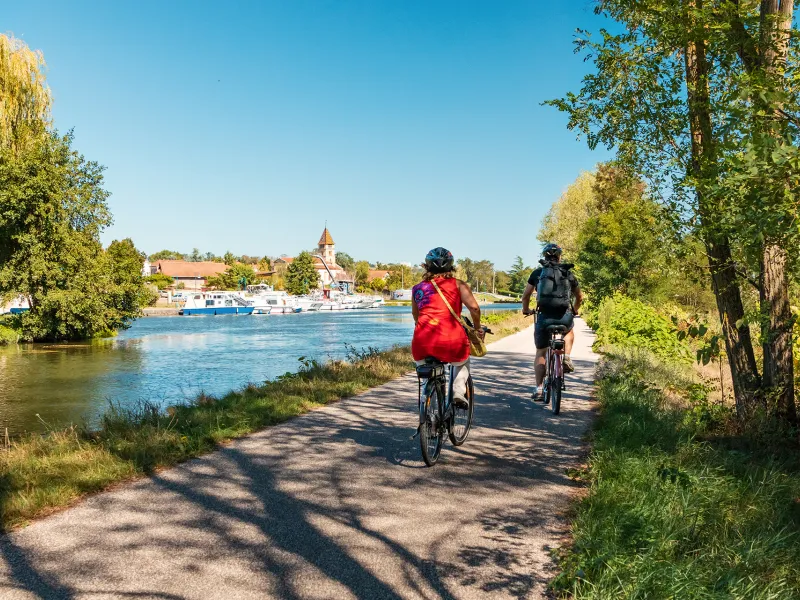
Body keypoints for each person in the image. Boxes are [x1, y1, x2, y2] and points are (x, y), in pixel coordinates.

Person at [411, 247, 484, 408]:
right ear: (451, 266)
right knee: (463, 362)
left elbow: (416, 316)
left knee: (427, 375)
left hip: (422, 342)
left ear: (426, 266)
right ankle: (458, 390)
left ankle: (428, 405)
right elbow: (474, 309)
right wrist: (477, 328)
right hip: (452, 340)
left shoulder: (417, 288)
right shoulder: (458, 285)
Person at [521, 243, 583, 401]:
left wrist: (526, 309)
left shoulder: (538, 273)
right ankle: (567, 356)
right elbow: (579, 297)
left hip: (544, 317)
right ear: (560, 256)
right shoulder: (567, 273)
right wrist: (575, 310)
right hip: (564, 316)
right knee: (568, 331)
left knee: (541, 352)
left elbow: (526, 295)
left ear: (544, 256)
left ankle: (539, 389)